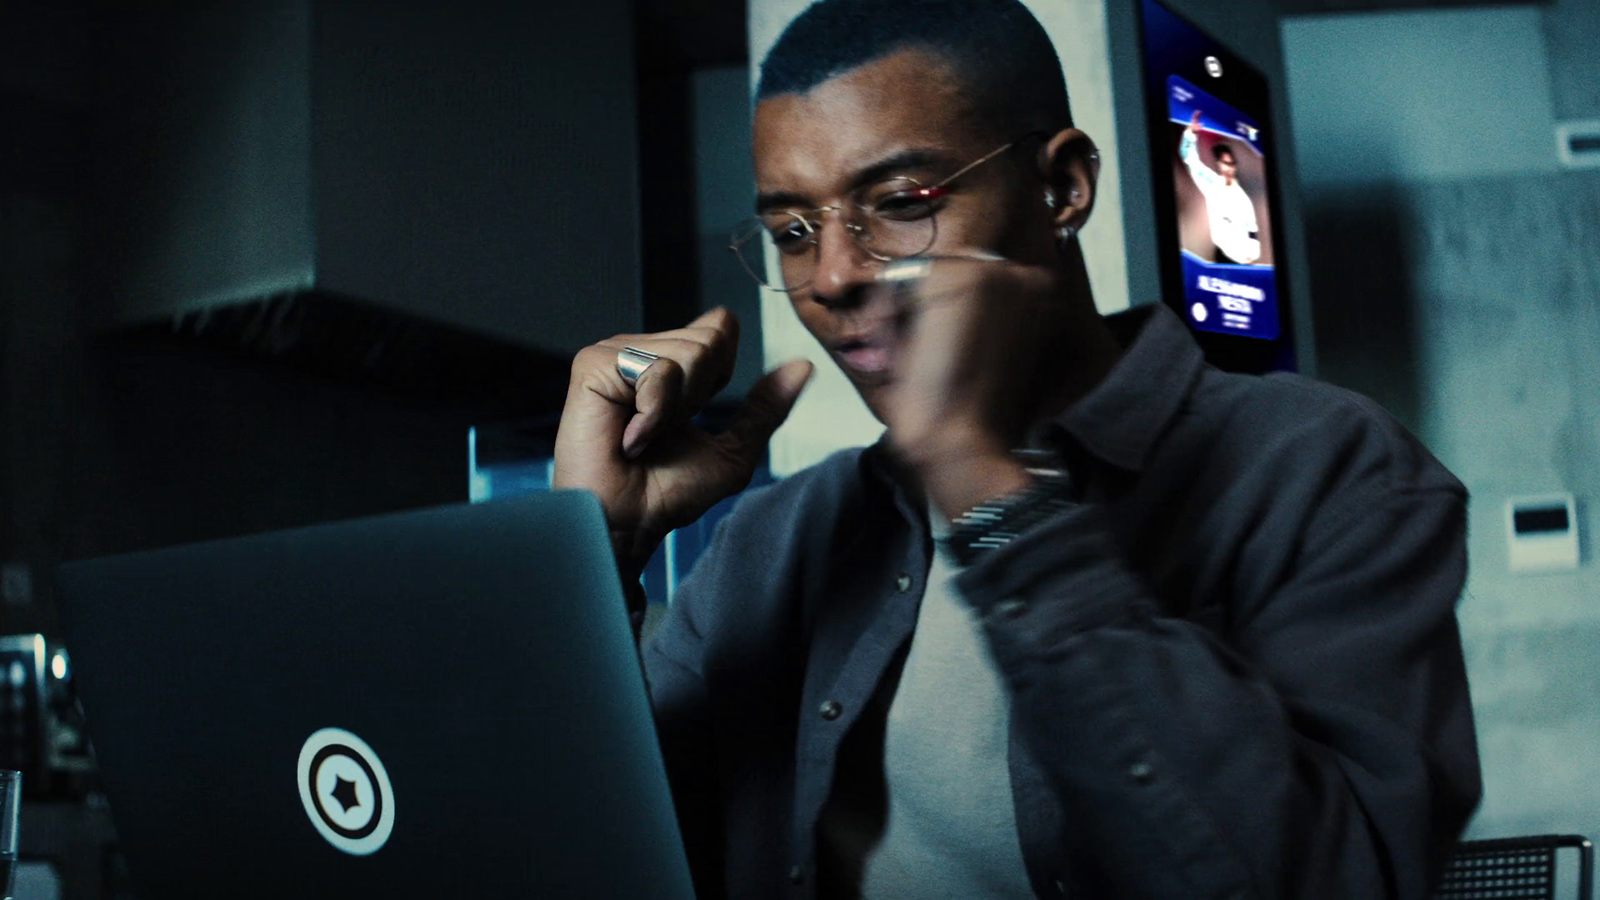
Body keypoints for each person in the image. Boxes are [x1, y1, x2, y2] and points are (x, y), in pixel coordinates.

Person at [552, 0, 1480, 896]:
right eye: (793, 231)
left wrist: (986, 486)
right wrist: (587, 560)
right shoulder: (776, 541)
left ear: (1063, 187)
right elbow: (598, 860)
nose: (832, 275)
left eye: (901, 201)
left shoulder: (1327, 470)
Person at [1180, 109, 1262, 265]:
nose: (1228, 168)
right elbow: (1189, 158)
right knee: (1199, 218)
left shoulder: (1243, 199)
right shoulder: (1210, 183)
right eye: (1225, 164)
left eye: (1230, 164)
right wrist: (1190, 134)